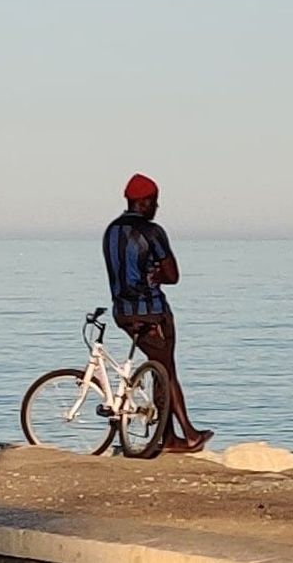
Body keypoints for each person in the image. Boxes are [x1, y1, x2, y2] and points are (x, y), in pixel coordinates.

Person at [103, 173, 213, 454]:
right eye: (155, 203)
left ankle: (171, 437)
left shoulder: (111, 231)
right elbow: (173, 275)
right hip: (152, 313)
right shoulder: (152, 232)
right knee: (166, 372)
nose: (156, 208)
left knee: (157, 367)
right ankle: (186, 435)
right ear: (145, 202)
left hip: (123, 313)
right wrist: (157, 276)